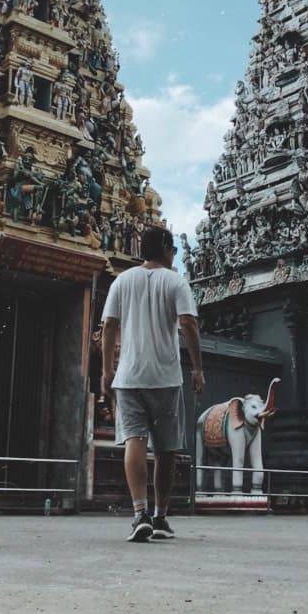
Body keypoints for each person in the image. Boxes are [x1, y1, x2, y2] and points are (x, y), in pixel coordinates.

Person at [102, 226, 204, 542]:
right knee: (166, 449)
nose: (175, 255)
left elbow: (108, 326)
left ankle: (138, 514)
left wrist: (107, 370)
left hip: (129, 376)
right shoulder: (175, 281)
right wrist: (198, 368)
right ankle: (160, 517)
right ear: (165, 249)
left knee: (134, 439)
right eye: (173, 249)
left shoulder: (122, 280)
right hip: (165, 377)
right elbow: (188, 322)